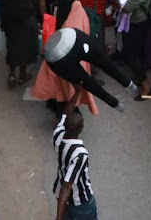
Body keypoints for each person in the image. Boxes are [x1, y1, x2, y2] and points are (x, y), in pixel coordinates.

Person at [31, 0, 98, 116]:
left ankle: (63, 114)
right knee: (71, 91)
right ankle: (70, 114)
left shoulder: (66, 24)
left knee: (62, 89)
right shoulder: (80, 15)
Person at [53, 87, 98, 220]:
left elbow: (67, 111)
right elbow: (67, 186)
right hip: (80, 202)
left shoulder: (58, 134)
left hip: (59, 193)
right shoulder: (80, 154)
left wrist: (78, 92)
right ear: (80, 128)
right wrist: (58, 218)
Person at [0, 0, 45, 87]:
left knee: (12, 44)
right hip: (28, 19)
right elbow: (41, 5)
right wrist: (42, 20)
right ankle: (23, 74)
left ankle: (12, 74)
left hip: (10, 18)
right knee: (27, 46)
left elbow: (3, 0)